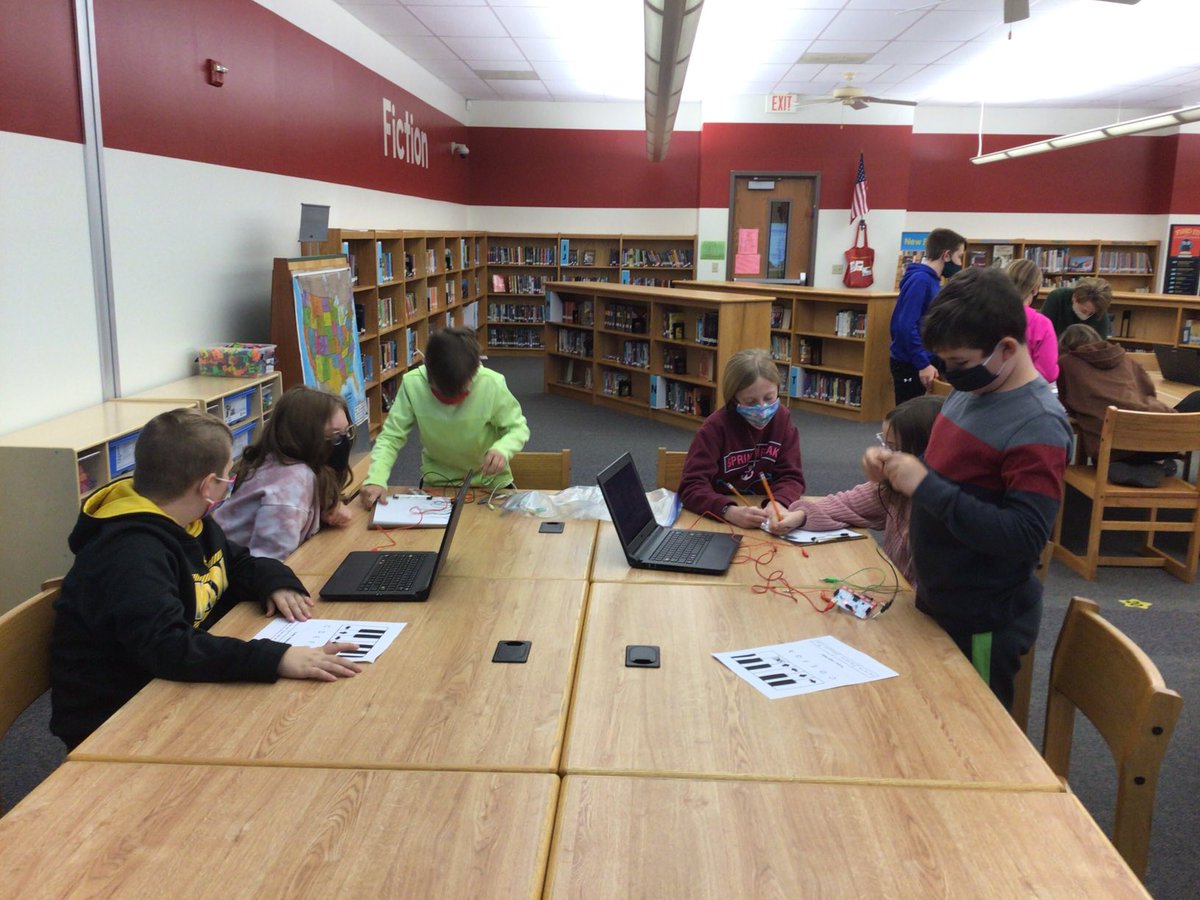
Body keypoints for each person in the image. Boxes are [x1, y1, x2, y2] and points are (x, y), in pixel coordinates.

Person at [50, 408, 361, 750]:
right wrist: (276, 658)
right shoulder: (129, 554)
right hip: (119, 717)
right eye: (228, 475)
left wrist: (275, 580)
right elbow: (167, 646)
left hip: (172, 682)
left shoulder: (188, 519)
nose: (230, 482)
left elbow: (236, 561)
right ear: (207, 486)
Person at [865, 268, 1071, 710]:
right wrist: (902, 467)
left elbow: (1023, 536)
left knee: (975, 735)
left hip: (983, 617)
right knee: (931, 717)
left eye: (958, 363)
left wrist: (924, 484)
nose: (949, 373)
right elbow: (955, 476)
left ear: (1007, 349)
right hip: (941, 594)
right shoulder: (972, 389)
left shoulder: (1038, 423)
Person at [785, 395, 943, 589]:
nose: (883, 454)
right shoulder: (892, 488)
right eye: (883, 444)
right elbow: (847, 504)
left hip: (916, 606)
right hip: (894, 590)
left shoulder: (939, 508)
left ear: (922, 453)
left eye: (893, 448)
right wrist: (800, 515)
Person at [360, 326, 529, 504]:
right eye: (440, 394)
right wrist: (376, 478)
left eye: (462, 393)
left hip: (490, 484)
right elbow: (391, 437)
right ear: (428, 372)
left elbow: (518, 428)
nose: (452, 402)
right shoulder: (413, 384)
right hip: (437, 484)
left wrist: (503, 449)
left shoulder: (491, 383)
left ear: (475, 371)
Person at [214, 385, 355, 560]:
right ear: (305, 436)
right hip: (233, 577)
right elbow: (267, 564)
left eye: (346, 432)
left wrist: (323, 511)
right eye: (334, 436)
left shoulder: (276, 459)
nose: (342, 442)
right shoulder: (292, 481)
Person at [678, 348, 806, 533]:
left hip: (766, 519)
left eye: (769, 398)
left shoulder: (783, 420)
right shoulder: (715, 428)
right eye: (750, 402)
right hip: (722, 522)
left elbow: (792, 477)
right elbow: (691, 487)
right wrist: (728, 511)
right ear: (733, 398)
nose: (762, 408)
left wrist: (777, 502)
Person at [1056, 323, 1200, 484]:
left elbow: (1067, 403)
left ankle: (1123, 466)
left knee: (1107, 451)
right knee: (1196, 398)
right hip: (1161, 437)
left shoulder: (1066, 363)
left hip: (1113, 447)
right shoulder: (1124, 357)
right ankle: (1156, 463)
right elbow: (1148, 392)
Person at [889, 227, 967, 404]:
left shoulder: (932, 281)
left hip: (922, 358)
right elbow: (905, 326)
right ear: (946, 255)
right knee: (908, 419)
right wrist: (922, 364)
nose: (960, 263)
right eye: (959, 256)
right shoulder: (921, 281)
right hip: (910, 363)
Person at [1006, 258, 1059, 382]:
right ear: (1035, 289)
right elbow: (1048, 373)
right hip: (1023, 392)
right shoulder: (1041, 324)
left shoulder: (985, 314)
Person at [1039, 276, 1112, 339]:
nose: (1086, 315)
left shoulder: (1099, 310)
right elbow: (1042, 332)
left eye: (1091, 313)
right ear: (1074, 298)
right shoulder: (1057, 298)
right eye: (1084, 311)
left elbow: (1100, 345)